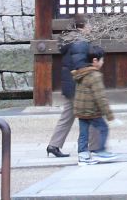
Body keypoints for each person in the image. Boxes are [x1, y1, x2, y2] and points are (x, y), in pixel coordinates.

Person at [48, 14, 100, 158]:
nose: (91, 28)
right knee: (92, 112)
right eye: (89, 25)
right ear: (83, 26)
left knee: (67, 116)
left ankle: (54, 145)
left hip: (69, 84)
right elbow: (83, 62)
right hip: (78, 84)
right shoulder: (79, 41)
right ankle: (95, 147)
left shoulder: (69, 39)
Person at [72, 46, 117, 166]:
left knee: (83, 133)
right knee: (103, 128)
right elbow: (100, 97)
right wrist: (110, 115)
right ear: (95, 61)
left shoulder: (81, 72)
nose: (103, 63)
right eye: (102, 60)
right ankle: (99, 151)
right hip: (91, 110)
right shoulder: (95, 76)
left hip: (80, 109)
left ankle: (83, 155)